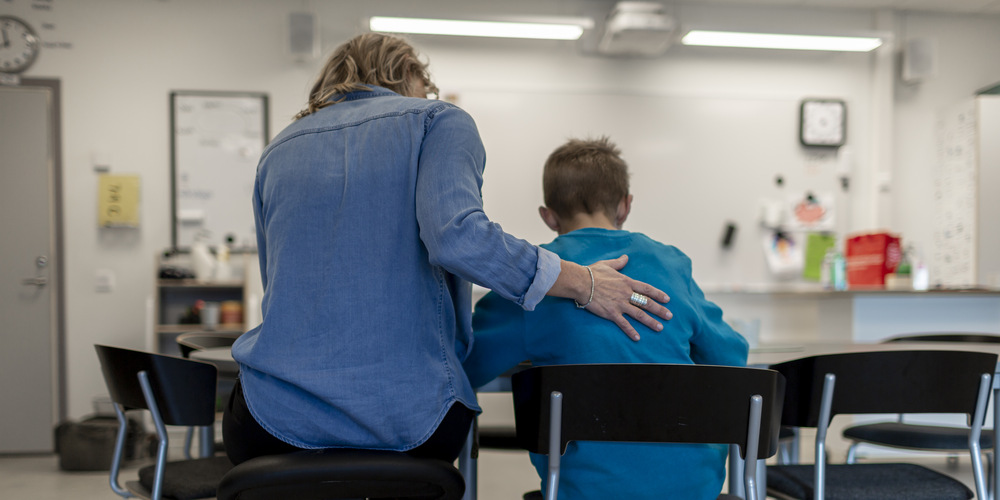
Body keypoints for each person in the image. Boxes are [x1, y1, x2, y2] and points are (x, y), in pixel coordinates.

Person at [223, 33, 673, 466]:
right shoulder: (436, 120)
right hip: (411, 424)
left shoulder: (279, 149)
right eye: (424, 89)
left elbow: (277, 284)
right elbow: (459, 238)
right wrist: (586, 283)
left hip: (270, 419)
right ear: (407, 74)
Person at [464, 137, 749, 499]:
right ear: (625, 206)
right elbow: (731, 357)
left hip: (586, 487)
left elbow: (467, 364)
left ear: (548, 216)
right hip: (694, 485)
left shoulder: (536, 280)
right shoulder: (671, 264)